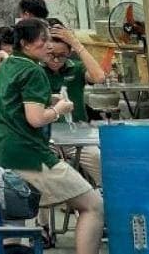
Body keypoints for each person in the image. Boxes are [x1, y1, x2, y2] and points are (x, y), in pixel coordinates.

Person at [0, 19, 104, 254]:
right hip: (28, 156)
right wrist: (59, 109)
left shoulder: (8, 65)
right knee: (93, 206)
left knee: (13, 221)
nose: (49, 45)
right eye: (43, 40)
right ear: (26, 43)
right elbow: (36, 119)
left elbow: (14, 101)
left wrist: (49, 99)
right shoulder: (33, 71)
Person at [43, 21, 107, 186]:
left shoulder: (76, 68)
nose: (56, 60)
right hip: (45, 137)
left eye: (62, 55)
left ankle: (106, 195)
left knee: (98, 160)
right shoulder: (34, 70)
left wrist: (76, 43)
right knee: (46, 173)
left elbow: (99, 77)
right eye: (51, 54)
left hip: (77, 135)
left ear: (69, 53)